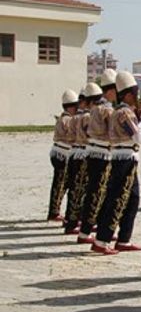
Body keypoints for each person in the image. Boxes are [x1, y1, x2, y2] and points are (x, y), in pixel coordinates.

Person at [92, 71, 141, 254]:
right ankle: (102, 239)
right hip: (124, 159)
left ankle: (124, 238)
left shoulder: (121, 111)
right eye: (135, 93)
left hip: (126, 158)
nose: (138, 97)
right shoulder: (124, 113)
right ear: (127, 94)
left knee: (133, 198)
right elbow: (138, 136)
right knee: (117, 199)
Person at [77, 70, 117, 244]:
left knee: (93, 191)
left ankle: (90, 227)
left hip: (92, 151)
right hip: (102, 153)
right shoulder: (106, 110)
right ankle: (86, 230)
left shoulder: (94, 109)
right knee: (98, 192)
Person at [63, 86, 97, 233]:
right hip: (83, 153)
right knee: (82, 189)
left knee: (74, 188)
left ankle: (70, 219)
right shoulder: (88, 117)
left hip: (73, 152)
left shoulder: (74, 118)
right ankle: (77, 221)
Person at [48, 89, 79, 222]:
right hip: (63, 154)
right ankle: (54, 212)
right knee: (61, 183)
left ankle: (54, 210)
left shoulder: (62, 118)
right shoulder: (68, 120)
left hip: (57, 153)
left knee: (60, 183)